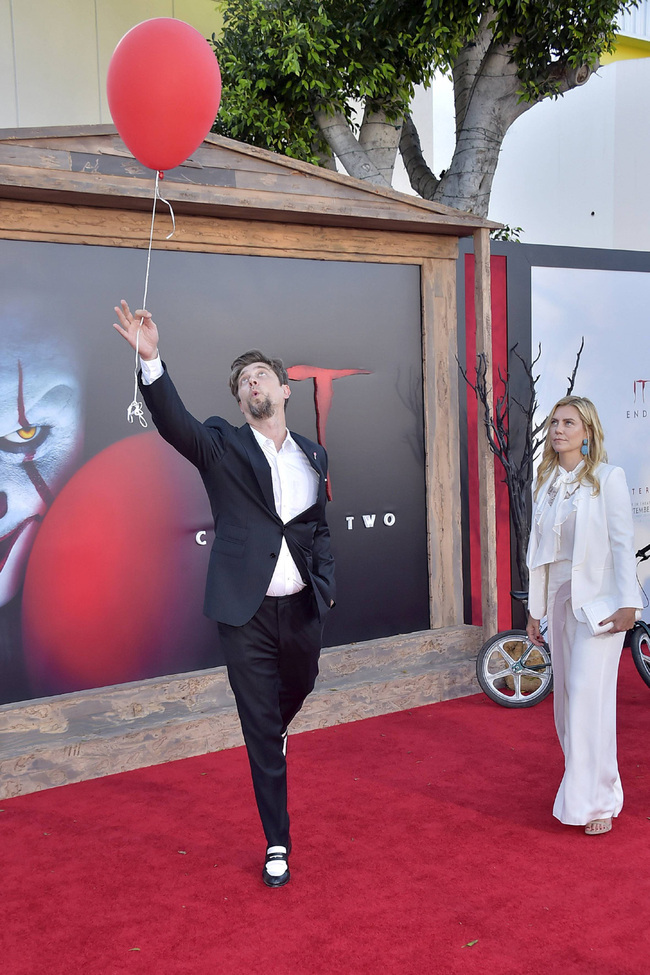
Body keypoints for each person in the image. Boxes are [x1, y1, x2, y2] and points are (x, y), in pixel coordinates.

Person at [112, 300, 336, 886]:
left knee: (301, 685)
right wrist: (153, 362)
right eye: (243, 381)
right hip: (245, 611)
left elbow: (319, 529)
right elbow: (176, 423)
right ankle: (278, 841)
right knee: (259, 723)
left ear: (286, 390)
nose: (251, 383)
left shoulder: (313, 453)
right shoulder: (221, 444)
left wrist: (327, 586)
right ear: (240, 401)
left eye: (261, 375)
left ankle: (273, 732)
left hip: (303, 606)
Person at [526, 395, 642, 836]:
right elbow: (539, 556)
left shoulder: (607, 478)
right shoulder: (547, 483)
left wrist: (629, 603)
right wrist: (535, 611)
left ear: (587, 431)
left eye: (569, 423)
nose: (558, 430)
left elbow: (621, 543)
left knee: (586, 694)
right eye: (554, 422)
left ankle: (594, 803)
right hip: (558, 603)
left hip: (600, 607)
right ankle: (599, 788)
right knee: (568, 704)